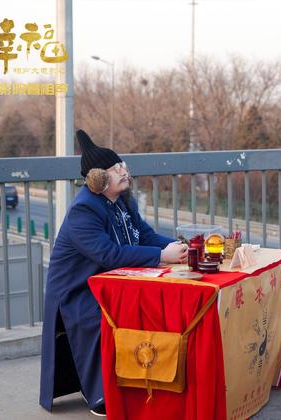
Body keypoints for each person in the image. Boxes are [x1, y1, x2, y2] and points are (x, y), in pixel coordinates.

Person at [39, 129, 188, 416]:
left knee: (152, 306)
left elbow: (145, 235)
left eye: (122, 165)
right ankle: (100, 394)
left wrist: (179, 246)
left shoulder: (123, 202)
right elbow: (108, 255)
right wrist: (161, 256)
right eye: (115, 168)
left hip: (110, 281)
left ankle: (145, 378)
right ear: (97, 178)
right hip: (78, 290)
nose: (123, 171)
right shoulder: (83, 210)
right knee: (109, 317)